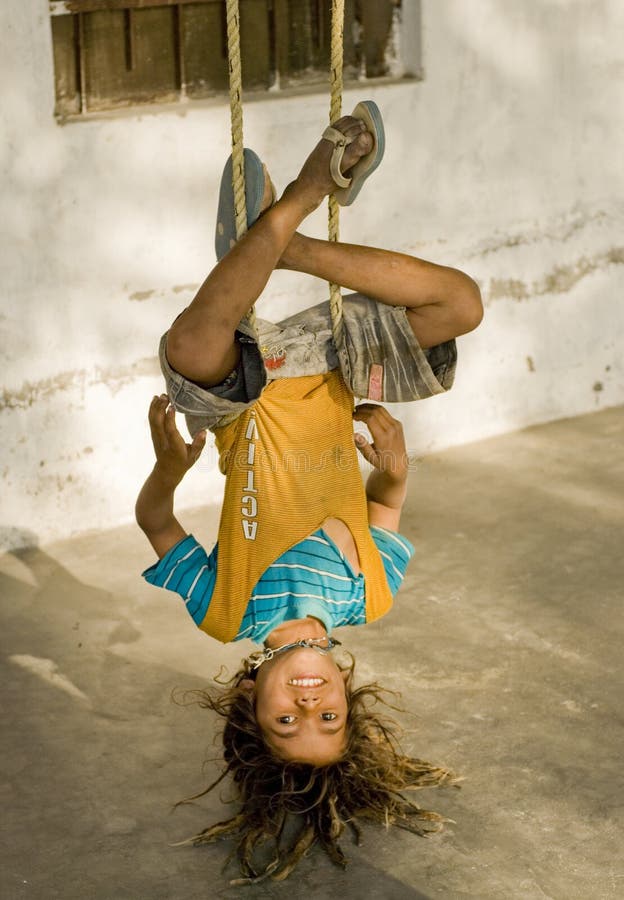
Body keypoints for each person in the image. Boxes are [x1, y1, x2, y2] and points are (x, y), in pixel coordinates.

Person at [136, 101, 482, 882]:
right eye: (327, 718)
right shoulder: (372, 592)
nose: (307, 701)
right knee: (461, 306)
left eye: (287, 720)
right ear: (348, 696)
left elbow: (155, 523)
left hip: (242, 387)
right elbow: (386, 501)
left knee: (189, 348)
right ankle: (285, 248)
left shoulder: (223, 611)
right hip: (331, 368)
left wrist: (169, 472)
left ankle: (291, 204)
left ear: (248, 702)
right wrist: (394, 463)